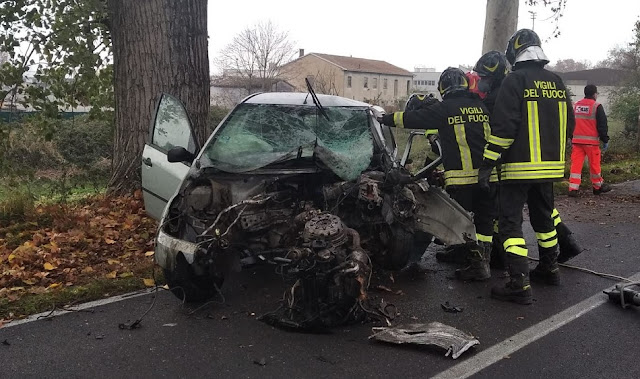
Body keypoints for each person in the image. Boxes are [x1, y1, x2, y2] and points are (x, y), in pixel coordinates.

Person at [478, 29, 575, 304]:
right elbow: (570, 126)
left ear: (515, 51)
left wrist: (488, 163)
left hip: (518, 168)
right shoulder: (556, 81)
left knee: (510, 224)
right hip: (550, 168)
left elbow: (504, 129)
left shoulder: (515, 80)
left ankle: (518, 283)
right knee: (544, 220)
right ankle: (550, 268)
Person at [381, 67, 497, 281]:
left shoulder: (445, 109)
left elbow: (411, 119)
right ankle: (483, 262)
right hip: (489, 176)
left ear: (443, 88)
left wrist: (385, 119)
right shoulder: (480, 106)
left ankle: (475, 263)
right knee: (485, 219)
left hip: (463, 177)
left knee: (461, 221)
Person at [568, 84, 612, 197]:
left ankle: (573, 188)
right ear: (594, 94)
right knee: (594, 164)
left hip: (577, 141)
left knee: (576, 165)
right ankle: (597, 187)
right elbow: (602, 125)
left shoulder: (575, 105)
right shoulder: (596, 106)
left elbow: (570, 122)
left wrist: (570, 136)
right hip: (591, 143)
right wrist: (605, 139)